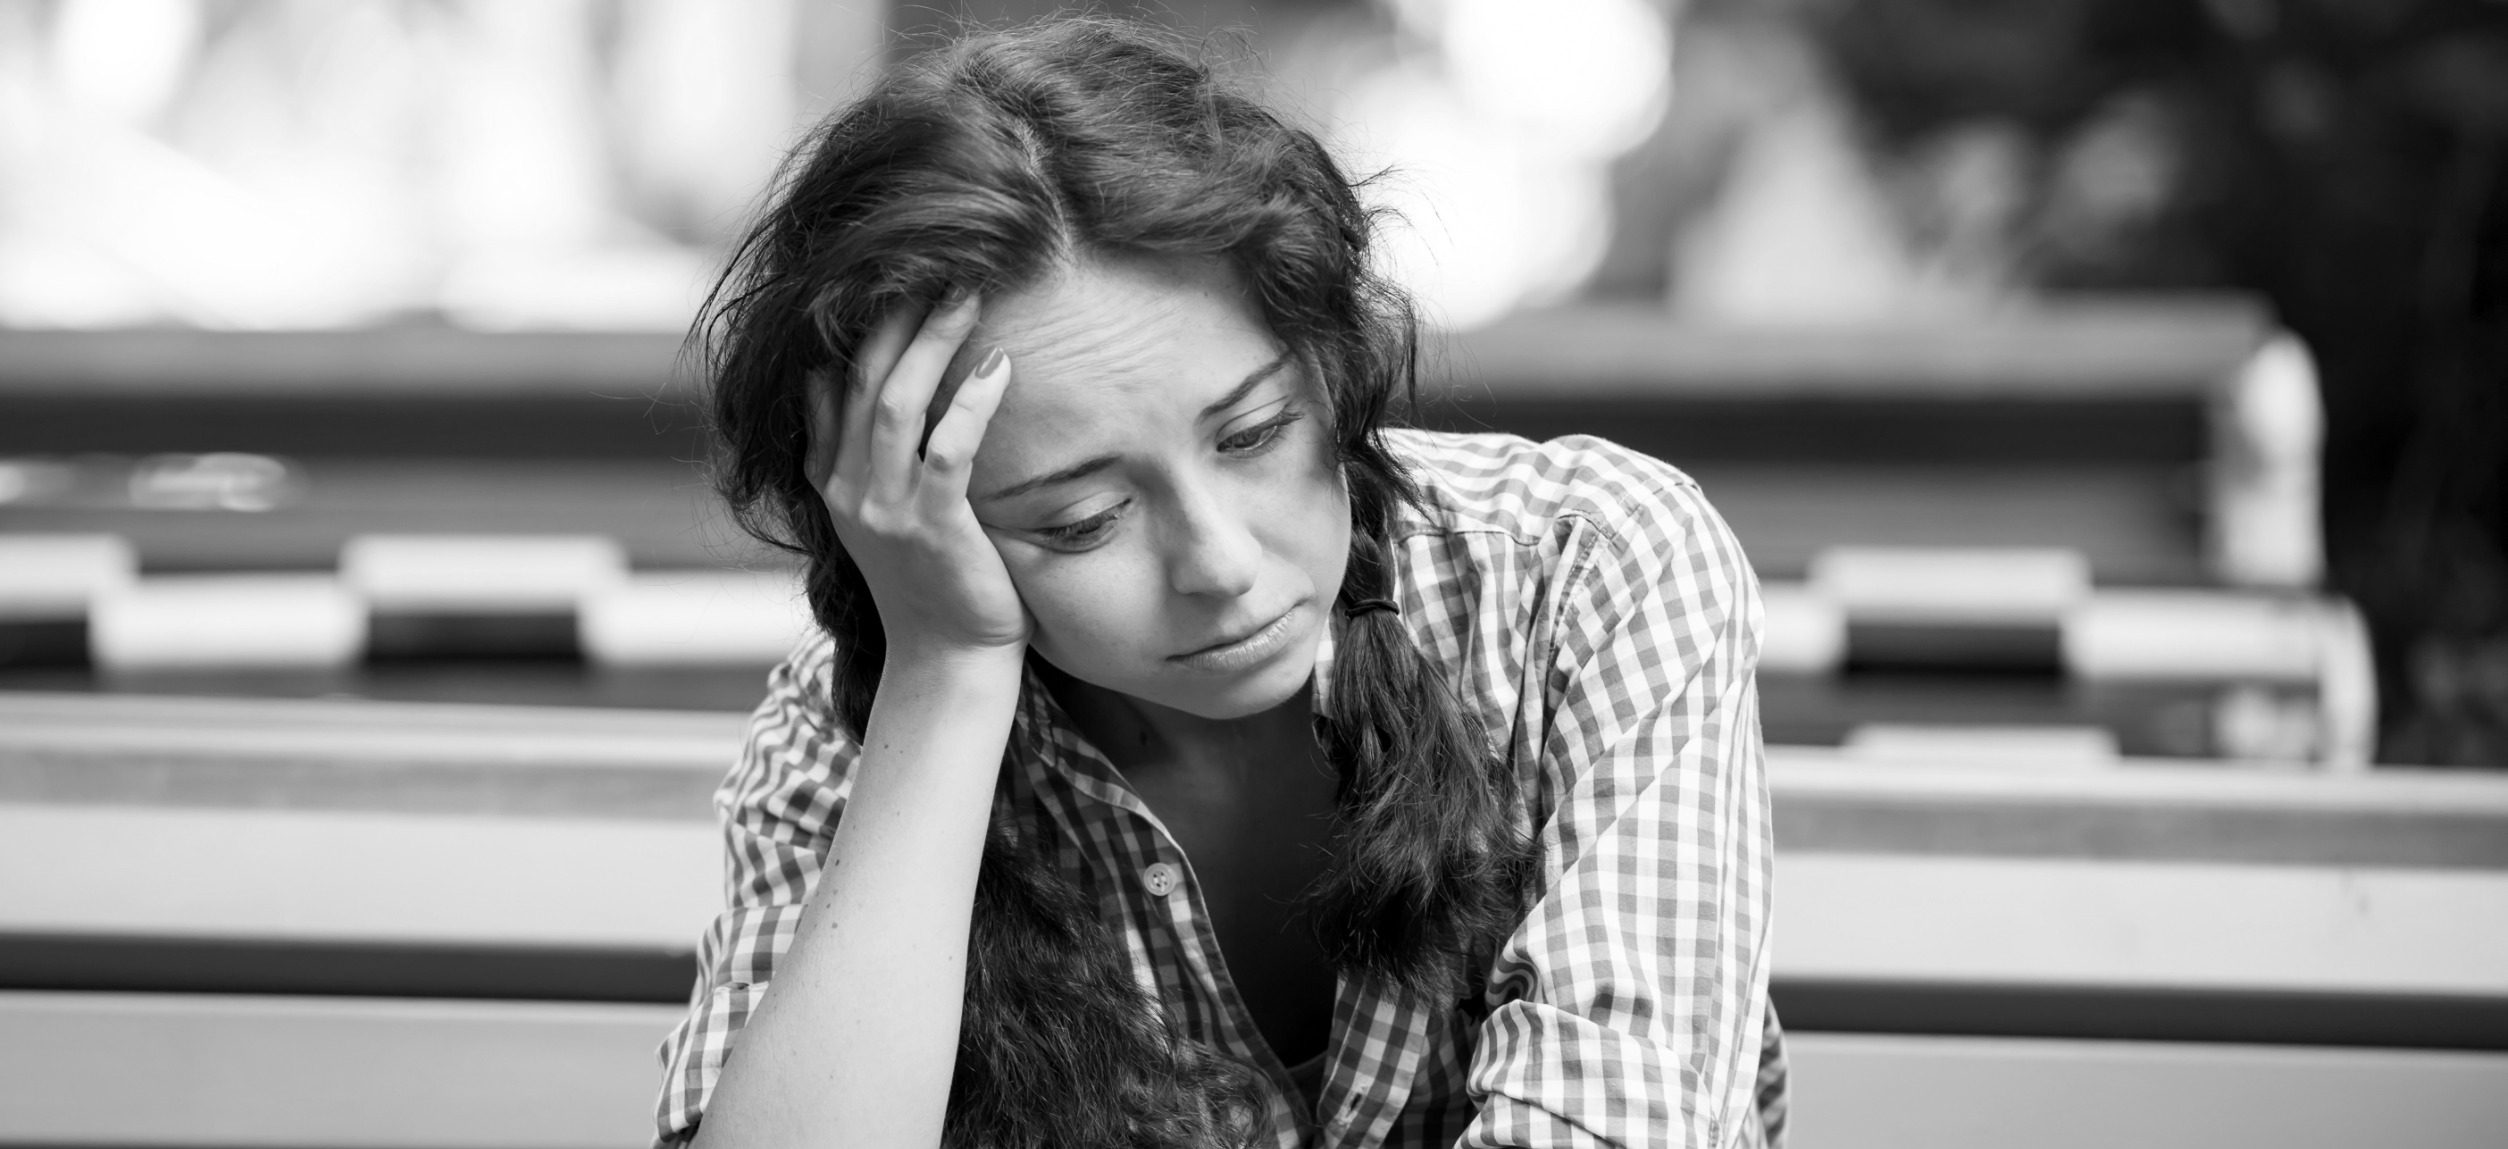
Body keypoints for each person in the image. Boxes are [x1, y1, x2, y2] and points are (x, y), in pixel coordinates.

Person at [655, 15, 1787, 1149]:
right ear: (912, 523)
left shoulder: (1581, 574)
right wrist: (948, 678)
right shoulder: (857, 718)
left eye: (1252, 435)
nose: (1222, 565)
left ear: (1331, 368)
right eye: (1082, 518)